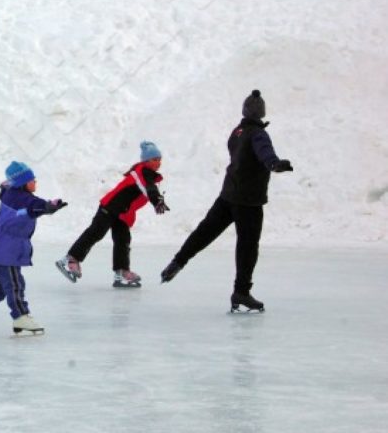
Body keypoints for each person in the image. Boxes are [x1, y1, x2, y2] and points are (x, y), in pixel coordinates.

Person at [160, 90, 293, 312]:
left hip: (228, 195)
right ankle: (241, 292)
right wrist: (274, 164)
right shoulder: (258, 134)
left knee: (204, 232)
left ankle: (178, 261)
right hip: (248, 202)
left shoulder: (237, 132)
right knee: (247, 248)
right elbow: (264, 152)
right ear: (261, 113)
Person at [0, 161, 67, 335]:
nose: (35, 182)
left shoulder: (10, 193)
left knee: (8, 284)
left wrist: (48, 206)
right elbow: (34, 205)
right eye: (32, 180)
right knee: (15, 284)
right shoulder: (21, 199)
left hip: (4, 247)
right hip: (6, 249)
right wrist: (49, 207)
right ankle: (21, 316)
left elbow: (9, 190)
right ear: (23, 183)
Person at [55, 141, 169, 287]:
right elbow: (149, 188)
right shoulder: (141, 171)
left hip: (122, 213)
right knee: (96, 232)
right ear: (146, 161)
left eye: (159, 160)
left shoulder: (148, 174)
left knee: (123, 239)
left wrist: (157, 199)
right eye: (154, 159)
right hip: (110, 207)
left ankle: (121, 272)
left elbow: (148, 188)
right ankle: (70, 259)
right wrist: (156, 200)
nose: (158, 163)